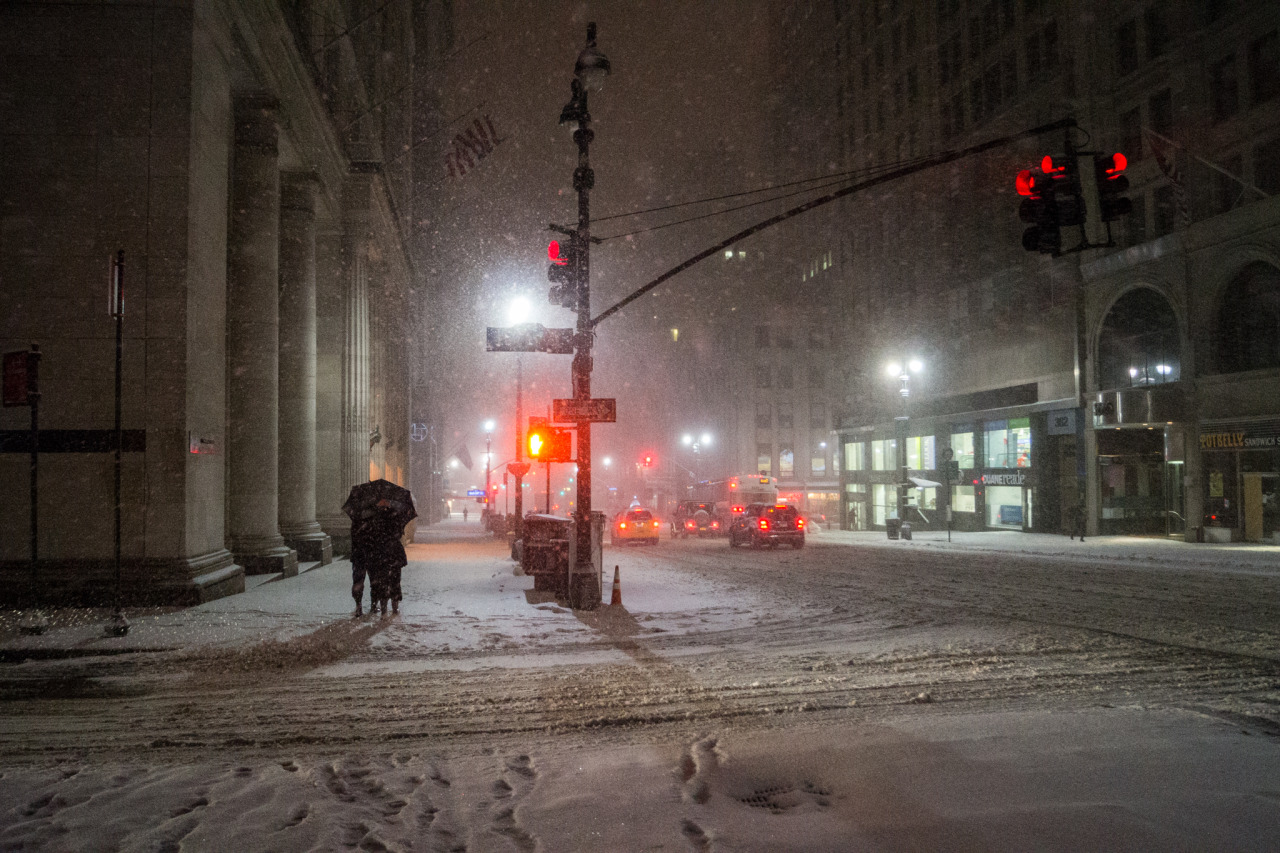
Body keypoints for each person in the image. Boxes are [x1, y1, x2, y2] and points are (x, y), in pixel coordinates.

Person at [351, 501, 409, 617]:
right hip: (376, 553)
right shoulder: (386, 516)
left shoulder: (360, 518)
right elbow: (395, 533)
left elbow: (355, 535)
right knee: (380, 580)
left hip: (363, 553)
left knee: (361, 580)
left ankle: (361, 605)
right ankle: (378, 606)